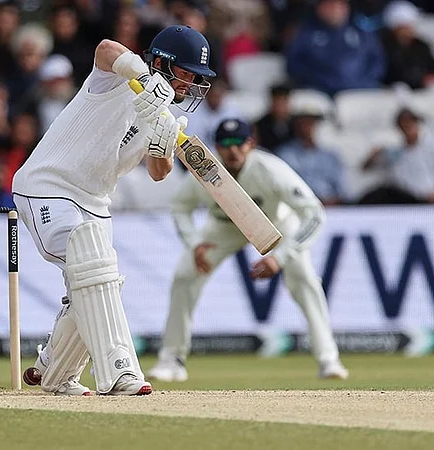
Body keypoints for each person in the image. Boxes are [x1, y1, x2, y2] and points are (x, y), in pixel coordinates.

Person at [12, 25, 216, 396]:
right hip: (47, 186)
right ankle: (119, 372)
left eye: (196, 78)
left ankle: (55, 371)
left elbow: (159, 173)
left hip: (96, 203)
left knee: (96, 283)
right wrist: (142, 78)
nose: (190, 84)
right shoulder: (116, 78)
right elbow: (106, 47)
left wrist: (161, 145)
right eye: (186, 73)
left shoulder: (163, 115)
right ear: (161, 63)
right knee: (93, 266)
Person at [146, 118, 348, 382]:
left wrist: (280, 257)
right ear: (217, 147)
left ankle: (329, 359)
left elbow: (314, 214)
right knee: (185, 276)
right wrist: (194, 243)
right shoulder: (206, 169)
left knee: (305, 278)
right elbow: (180, 206)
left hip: (275, 224)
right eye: (226, 143)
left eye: (239, 143)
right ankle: (172, 360)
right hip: (223, 227)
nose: (233, 150)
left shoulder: (270, 169)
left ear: (250, 144)